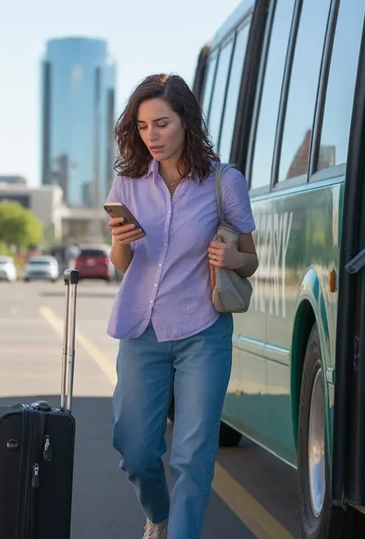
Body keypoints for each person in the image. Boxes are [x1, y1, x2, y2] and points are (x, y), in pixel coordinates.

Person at [105, 73, 258, 539]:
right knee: (134, 449)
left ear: (187, 122)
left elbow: (250, 260)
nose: (152, 135)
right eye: (143, 126)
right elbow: (120, 266)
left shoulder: (223, 182)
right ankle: (158, 513)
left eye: (162, 124)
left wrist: (234, 258)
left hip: (203, 332)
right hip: (142, 331)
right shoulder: (128, 184)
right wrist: (121, 243)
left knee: (193, 454)